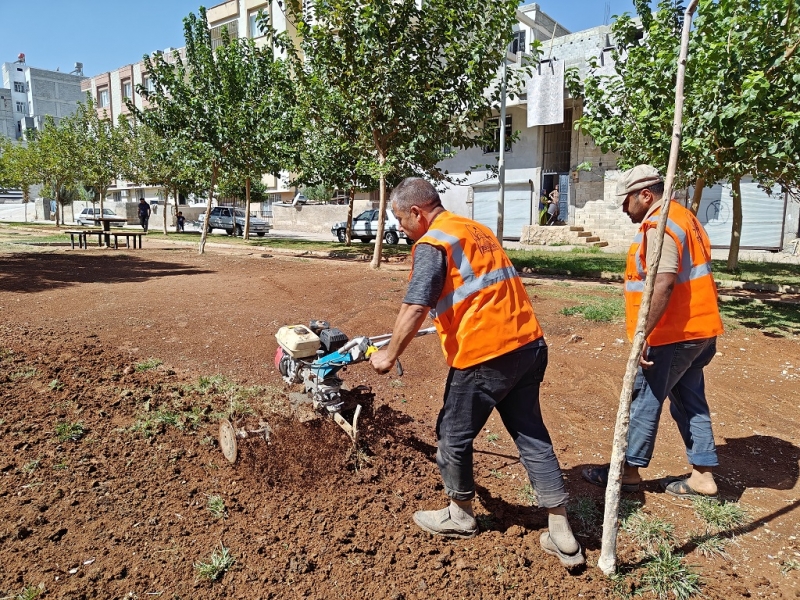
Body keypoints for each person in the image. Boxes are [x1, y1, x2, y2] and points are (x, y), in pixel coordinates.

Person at [369, 177, 584, 568]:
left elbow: (417, 306)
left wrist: (388, 354)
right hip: (529, 345)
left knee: (452, 434)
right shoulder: (475, 230)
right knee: (531, 435)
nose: (401, 228)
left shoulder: (434, 243)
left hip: (486, 353)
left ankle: (461, 514)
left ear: (417, 212)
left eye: (401, 219)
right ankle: (560, 529)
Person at [581, 165, 724, 499]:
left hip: (672, 333)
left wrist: (644, 334)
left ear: (645, 195)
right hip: (698, 329)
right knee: (689, 399)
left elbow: (664, 280)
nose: (622, 208)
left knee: (644, 396)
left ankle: (627, 471)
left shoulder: (660, 224)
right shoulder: (683, 217)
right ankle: (703, 474)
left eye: (626, 200)